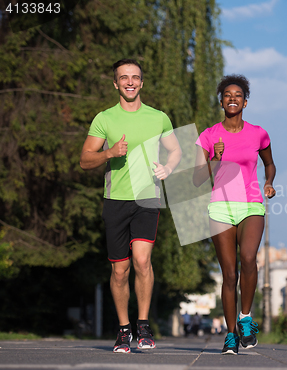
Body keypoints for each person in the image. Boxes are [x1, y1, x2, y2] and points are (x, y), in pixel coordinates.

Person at [80, 59, 181, 353]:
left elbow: (175, 150)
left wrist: (169, 168)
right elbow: (85, 159)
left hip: (147, 197)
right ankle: (124, 329)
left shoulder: (158, 117)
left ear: (142, 82)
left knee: (142, 261)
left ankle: (143, 325)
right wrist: (109, 152)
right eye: (124, 77)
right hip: (115, 200)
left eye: (135, 77)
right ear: (115, 83)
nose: (130, 82)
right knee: (120, 271)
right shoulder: (104, 119)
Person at [193, 74, 276, 355]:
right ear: (221, 101)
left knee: (249, 258)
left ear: (245, 102)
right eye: (227, 95)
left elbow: (270, 164)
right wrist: (213, 160)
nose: (232, 98)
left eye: (237, 95)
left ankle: (246, 317)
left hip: (251, 203)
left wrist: (268, 183)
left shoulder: (258, 133)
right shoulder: (208, 135)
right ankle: (230, 335)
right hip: (220, 207)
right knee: (229, 274)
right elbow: (195, 180)